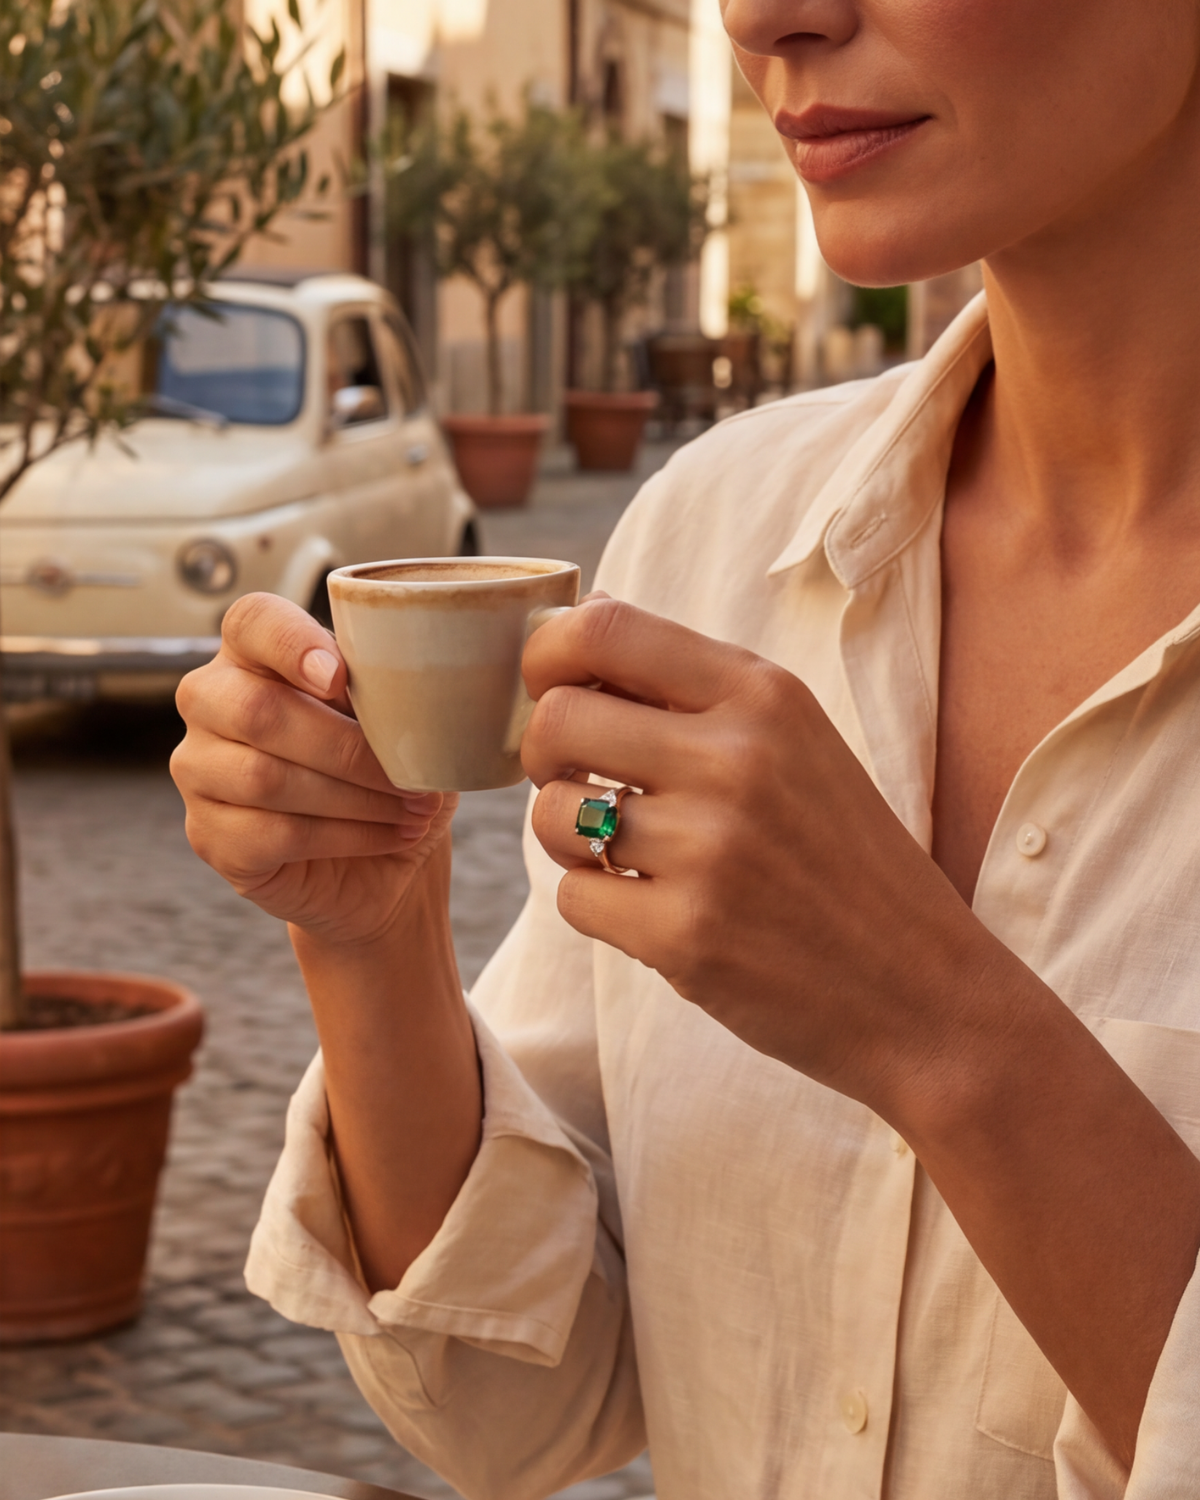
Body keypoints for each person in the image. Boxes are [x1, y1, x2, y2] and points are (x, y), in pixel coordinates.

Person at [169, 2, 1200, 1495]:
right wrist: (373, 933)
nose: (770, 14)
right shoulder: (719, 533)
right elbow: (528, 1404)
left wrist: (944, 1035)